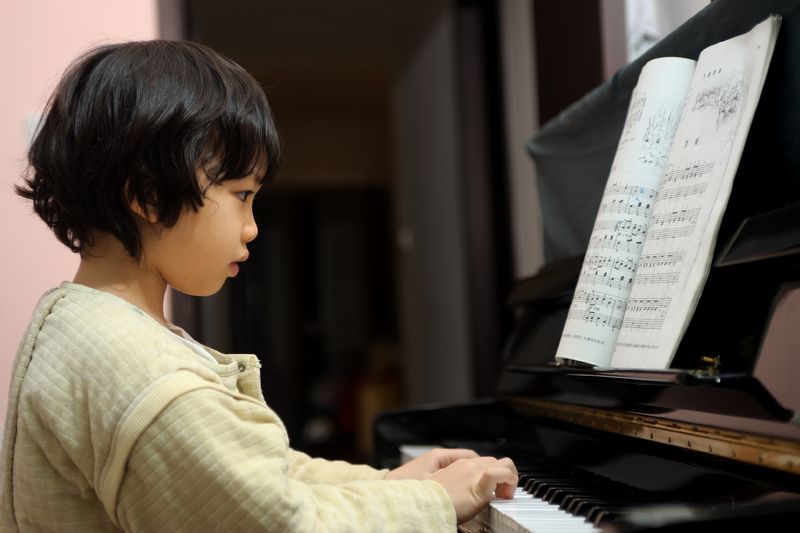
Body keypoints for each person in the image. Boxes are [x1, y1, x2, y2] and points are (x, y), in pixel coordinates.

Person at [0, 40, 518, 532]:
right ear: (150, 196)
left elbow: (252, 476)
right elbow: (280, 522)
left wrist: (385, 482)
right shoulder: (148, 380)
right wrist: (432, 501)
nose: (251, 227)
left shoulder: (83, 324)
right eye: (241, 194)